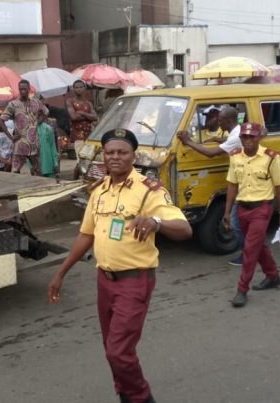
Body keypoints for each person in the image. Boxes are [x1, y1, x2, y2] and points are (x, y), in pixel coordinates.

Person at [47, 129, 192, 403]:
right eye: (110, 152)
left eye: (122, 152)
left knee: (118, 352)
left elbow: (184, 229)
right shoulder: (99, 190)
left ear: (132, 156)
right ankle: (126, 394)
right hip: (104, 281)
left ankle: (141, 398)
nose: (115, 157)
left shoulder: (148, 190)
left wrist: (156, 223)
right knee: (111, 348)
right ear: (104, 155)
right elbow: (86, 235)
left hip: (134, 282)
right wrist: (60, 272)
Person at [223, 123, 280, 308]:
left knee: (250, 249)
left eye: (252, 137)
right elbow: (232, 185)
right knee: (257, 245)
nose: (248, 141)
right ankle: (273, 276)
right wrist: (227, 212)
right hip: (242, 208)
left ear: (259, 138)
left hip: (262, 209)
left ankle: (242, 290)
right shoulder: (235, 156)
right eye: (244, 137)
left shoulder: (271, 158)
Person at [177, 107, 245, 266]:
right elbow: (230, 143)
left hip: (243, 180)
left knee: (235, 222)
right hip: (238, 177)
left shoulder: (236, 136)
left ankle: (247, 254)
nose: (217, 122)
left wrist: (188, 142)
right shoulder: (236, 132)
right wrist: (220, 141)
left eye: (220, 120)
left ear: (227, 121)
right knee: (240, 219)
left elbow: (211, 154)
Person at [1, 79, 47, 175]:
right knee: (15, 171)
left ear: (29, 89)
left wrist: (37, 122)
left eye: (25, 89)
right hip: (20, 144)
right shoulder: (13, 104)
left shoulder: (36, 102)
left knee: (38, 170)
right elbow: (1, 121)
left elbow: (45, 112)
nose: (23, 91)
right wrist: (11, 137)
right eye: (20, 89)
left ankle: (37, 188)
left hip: (34, 143)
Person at [37, 110, 59, 178]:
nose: (37, 117)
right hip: (36, 165)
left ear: (43, 116)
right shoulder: (29, 129)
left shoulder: (47, 129)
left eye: (39, 115)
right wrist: (30, 165)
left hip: (49, 164)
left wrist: (55, 163)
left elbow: (52, 146)